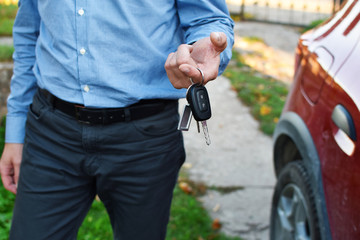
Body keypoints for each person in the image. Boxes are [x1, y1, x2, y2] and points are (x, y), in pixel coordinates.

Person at [0, 0, 234, 239]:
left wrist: (203, 49)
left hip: (144, 139)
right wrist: (16, 130)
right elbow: (29, 33)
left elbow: (209, 20)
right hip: (51, 135)